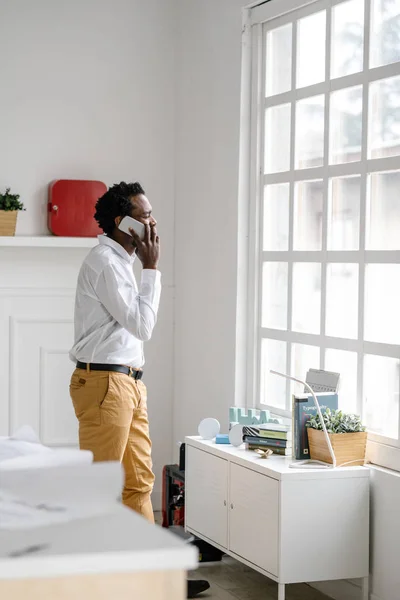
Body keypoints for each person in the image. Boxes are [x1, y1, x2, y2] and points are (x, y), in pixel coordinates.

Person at [69, 181, 209, 599]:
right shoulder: (107, 264)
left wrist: (145, 268)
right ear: (122, 222)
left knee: (139, 484)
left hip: (127, 383)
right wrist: (153, 269)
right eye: (144, 216)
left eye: (151, 215)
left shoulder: (120, 262)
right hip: (104, 384)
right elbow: (142, 326)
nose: (152, 223)